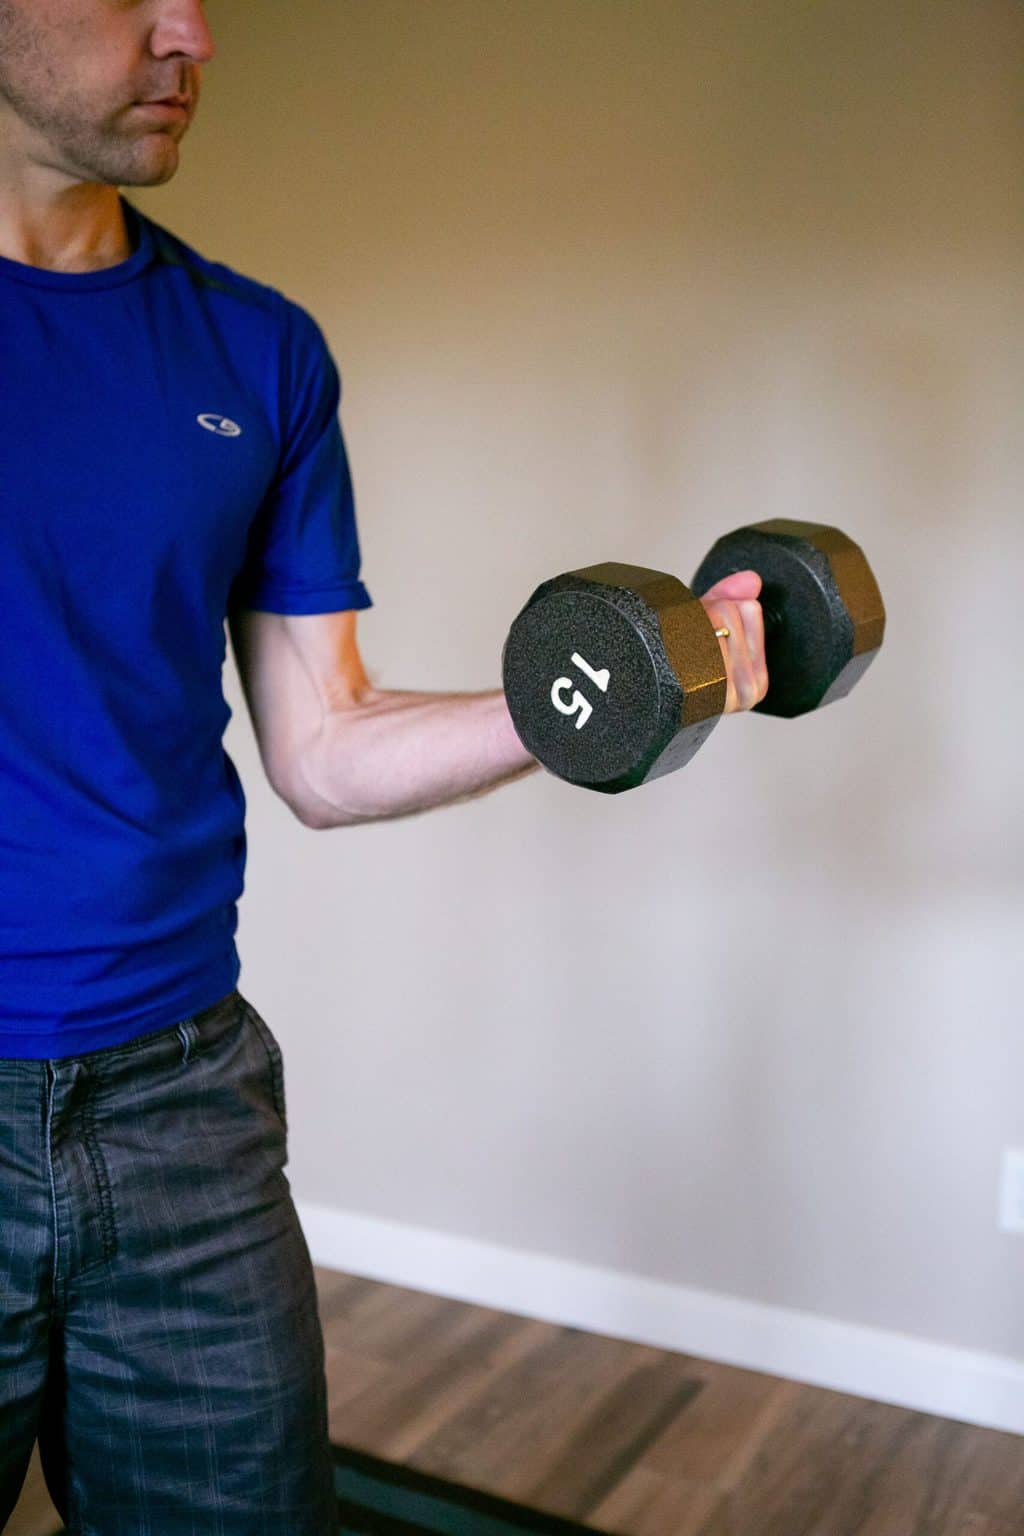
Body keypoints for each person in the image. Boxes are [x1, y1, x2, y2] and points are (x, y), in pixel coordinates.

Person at [0, 2, 769, 1531]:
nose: (193, 34)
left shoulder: (255, 351)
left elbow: (326, 746)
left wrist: (600, 700)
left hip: (181, 1108)